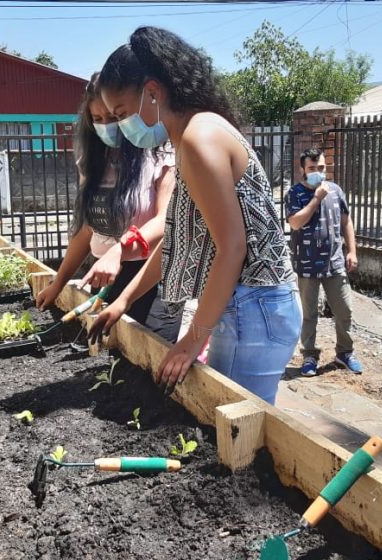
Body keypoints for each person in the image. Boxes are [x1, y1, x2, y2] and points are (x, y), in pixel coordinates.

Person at [89, 27, 301, 405]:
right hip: (255, 307)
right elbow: (178, 237)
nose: (121, 126)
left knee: (236, 430)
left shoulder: (197, 139)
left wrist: (192, 339)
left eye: (122, 114)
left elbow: (232, 247)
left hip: (253, 310)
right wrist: (124, 300)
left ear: (153, 92)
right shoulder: (197, 131)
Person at [35, 72, 181, 343]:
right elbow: (87, 229)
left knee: (149, 359)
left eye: (113, 118)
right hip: (106, 276)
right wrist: (58, 283)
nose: (107, 127)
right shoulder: (91, 163)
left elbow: (165, 221)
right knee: (114, 355)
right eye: (98, 120)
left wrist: (120, 250)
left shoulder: (160, 155)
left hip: (152, 277)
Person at [286, 148, 362, 377]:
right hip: (307, 265)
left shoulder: (336, 191)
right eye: (311, 168)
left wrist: (352, 251)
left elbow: (346, 222)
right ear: (302, 170)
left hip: (335, 262)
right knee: (309, 314)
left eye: (321, 168)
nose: (317, 172)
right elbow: (295, 223)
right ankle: (309, 356)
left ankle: (345, 353)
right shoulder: (295, 193)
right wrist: (317, 198)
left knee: (344, 310)